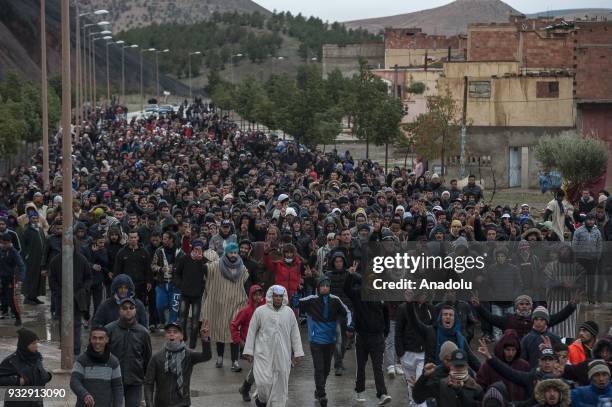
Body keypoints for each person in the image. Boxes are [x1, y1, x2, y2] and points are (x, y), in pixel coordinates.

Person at [243, 285, 304, 407]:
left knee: (280, 384)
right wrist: (248, 351)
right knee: (263, 382)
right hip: (263, 353)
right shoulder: (260, 311)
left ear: (283, 297)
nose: (277, 299)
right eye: (275, 296)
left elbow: (295, 334)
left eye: (280, 296)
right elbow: (251, 331)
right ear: (271, 296)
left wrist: (298, 352)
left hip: (283, 354)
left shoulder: (289, 313)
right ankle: (261, 400)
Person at [298, 277, 353, 407]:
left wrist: (350, 326)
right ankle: (322, 395)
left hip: (330, 340)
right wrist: (297, 292)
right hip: (315, 340)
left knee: (327, 369)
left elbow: (348, 312)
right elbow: (293, 302)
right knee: (319, 368)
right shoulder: (310, 300)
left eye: (327, 286)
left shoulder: (335, 300)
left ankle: (318, 389)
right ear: (318, 287)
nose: (325, 288)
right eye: (322, 286)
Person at [344, 269, 392, 405]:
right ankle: (360, 391)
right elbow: (346, 289)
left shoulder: (381, 295)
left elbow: (386, 315)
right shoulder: (358, 293)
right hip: (362, 337)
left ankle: (382, 394)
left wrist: (385, 332)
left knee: (378, 367)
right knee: (361, 366)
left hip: (377, 337)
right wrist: (350, 275)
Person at [200, 242, 249, 370]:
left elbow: (245, 283)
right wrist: (200, 258)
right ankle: (220, 357)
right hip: (219, 304)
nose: (233, 255)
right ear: (226, 252)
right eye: (230, 252)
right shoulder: (216, 265)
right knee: (219, 330)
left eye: (235, 252)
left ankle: (234, 361)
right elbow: (204, 269)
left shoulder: (242, 268)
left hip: (236, 304)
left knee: (234, 332)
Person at [143, 322, 211, 407]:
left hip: (182, 403)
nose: (172, 334)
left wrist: (205, 339)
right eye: (169, 332)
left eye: (175, 332)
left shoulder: (188, 354)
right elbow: (149, 383)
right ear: (165, 336)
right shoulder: (156, 357)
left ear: (181, 336)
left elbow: (206, 356)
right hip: (161, 403)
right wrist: (149, 404)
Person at [106, 297, 152, 407]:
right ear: (119, 310)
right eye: (125, 308)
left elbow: (147, 359)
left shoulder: (143, 333)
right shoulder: (109, 330)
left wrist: (147, 379)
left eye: (131, 308)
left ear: (135, 310)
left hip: (134, 381)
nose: (128, 310)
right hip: (112, 380)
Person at [471, 294, 576, 340]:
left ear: (531, 306)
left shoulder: (538, 318)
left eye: (527, 304)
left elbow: (558, 317)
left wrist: (571, 306)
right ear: (517, 306)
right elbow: (490, 318)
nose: (524, 306)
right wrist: (479, 307)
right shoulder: (508, 319)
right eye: (521, 304)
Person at [48, 247, 92, 355]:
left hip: (77, 299)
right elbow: (52, 279)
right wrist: (60, 292)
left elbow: (88, 277)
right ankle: (65, 351)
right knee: (63, 324)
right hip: (62, 299)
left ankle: (76, 352)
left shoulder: (81, 259)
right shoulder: (56, 261)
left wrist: (83, 289)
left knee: (76, 324)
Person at [395, 290, 433, 406]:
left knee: (419, 385)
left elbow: (431, 331)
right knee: (411, 385)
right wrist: (400, 352)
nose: (423, 296)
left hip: (422, 354)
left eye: (425, 293)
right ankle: (413, 403)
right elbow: (399, 330)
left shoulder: (430, 309)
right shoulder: (403, 308)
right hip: (407, 353)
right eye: (421, 293)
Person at [70, 326, 124, 407]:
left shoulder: (113, 362)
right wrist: (85, 395)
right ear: (90, 339)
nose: (97, 341)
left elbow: (117, 387)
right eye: (94, 338)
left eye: (101, 338)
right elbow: (74, 381)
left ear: (107, 340)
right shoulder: (81, 360)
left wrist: (118, 405)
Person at [0, 328, 52, 407]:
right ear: (24, 345)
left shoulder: (36, 358)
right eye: (33, 344)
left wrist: (46, 376)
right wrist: (17, 381)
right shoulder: (11, 361)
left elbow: (38, 374)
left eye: (36, 343)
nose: (36, 346)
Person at [412, 349, 483, 406]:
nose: (458, 369)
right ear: (451, 366)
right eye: (456, 366)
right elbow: (418, 399)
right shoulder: (441, 384)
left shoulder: (476, 388)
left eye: (461, 366)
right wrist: (424, 376)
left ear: (467, 366)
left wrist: (458, 391)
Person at [231, 285, 265, 402]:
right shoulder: (245, 311)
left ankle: (245, 388)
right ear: (251, 295)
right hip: (250, 343)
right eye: (255, 294)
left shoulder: (265, 310)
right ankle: (248, 389)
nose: (257, 297)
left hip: (264, 343)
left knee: (258, 368)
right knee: (258, 368)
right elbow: (234, 326)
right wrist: (240, 342)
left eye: (259, 294)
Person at [476, 329, 531, 402]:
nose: (511, 354)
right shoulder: (488, 366)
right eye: (508, 350)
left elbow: (529, 389)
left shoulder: (524, 366)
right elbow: (480, 388)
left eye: (513, 350)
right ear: (501, 349)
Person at [174, 240, 210, 348]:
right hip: (185, 293)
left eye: (200, 250)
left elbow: (209, 274)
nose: (198, 252)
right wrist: (181, 285)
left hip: (197, 295)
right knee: (182, 319)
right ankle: (183, 338)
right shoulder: (184, 259)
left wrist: (202, 262)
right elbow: (177, 274)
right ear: (192, 249)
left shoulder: (204, 261)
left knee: (195, 322)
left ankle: (192, 345)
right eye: (196, 249)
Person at [114, 230, 152, 309]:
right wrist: (117, 284)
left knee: (140, 306)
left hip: (141, 284)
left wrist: (149, 281)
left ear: (138, 238)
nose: (133, 239)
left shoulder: (144, 252)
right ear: (128, 239)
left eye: (135, 237)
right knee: (126, 306)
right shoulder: (121, 252)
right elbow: (117, 270)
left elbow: (148, 268)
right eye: (131, 238)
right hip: (126, 286)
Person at [151, 231, 183, 325]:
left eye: (165, 239)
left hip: (175, 284)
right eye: (163, 238)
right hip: (161, 283)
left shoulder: (180, 252)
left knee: (174, 307)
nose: (163, 240)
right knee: (159, 306)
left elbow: (184, 266)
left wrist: (175, 269)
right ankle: (162, 321)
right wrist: (161, 269)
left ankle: (171, 326)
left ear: (171, 240)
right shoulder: (159, 251)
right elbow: (153, 265)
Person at [20, 212, 46, 305]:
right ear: (29, 219)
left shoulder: (39, 229)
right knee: (31, 277)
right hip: (31, 259)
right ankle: (28, 297)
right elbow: (23, 245)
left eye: (36, 218)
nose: (35, 220)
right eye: (33, 218)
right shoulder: (26, 230)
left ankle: (34, 296)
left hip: (40, 258)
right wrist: (26, 256)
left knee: (38, 277)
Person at [0, 232, 25, 325]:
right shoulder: (1, 250)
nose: (3, 245)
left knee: (12, 300)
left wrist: (20, 280)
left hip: (11, 279)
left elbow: (21, 266)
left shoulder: (13, 252)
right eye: (2, 243)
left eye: (5, 243)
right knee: (3, 297)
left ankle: (18, 317)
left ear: (10, 242)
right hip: (2, 278)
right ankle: (4, 312)